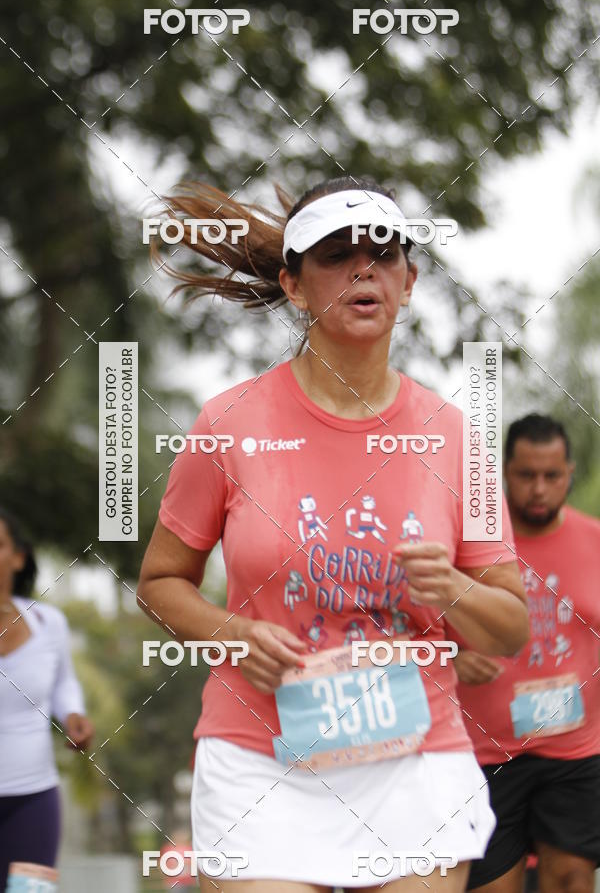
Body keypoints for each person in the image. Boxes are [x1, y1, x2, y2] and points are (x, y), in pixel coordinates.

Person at [137, 176, 529, 892]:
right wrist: (232, 634)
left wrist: (455, 588)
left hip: (415, 763)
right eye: (336, 254)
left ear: (407, 283)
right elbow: (160, 583)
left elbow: (508, 627)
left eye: (383, 254)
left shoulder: (455, 438)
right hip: (261, 761)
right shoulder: (229, 424)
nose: (363, 269)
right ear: (293, 284)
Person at [453, 414, 600, 893]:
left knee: (573, 878)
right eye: (526, 475)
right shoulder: (470, 548)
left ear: (569, 474)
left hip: (576, 749)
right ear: (502, 474)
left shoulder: (594, 540)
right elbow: (416, 626)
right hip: (487, 753)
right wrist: (449, 658)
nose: (539, 488)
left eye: (551, 476)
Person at [0, 507, 94, 891]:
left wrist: (73, 714)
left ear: (18, 557)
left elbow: (63, 684)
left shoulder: (47, 622)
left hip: (34, 801)